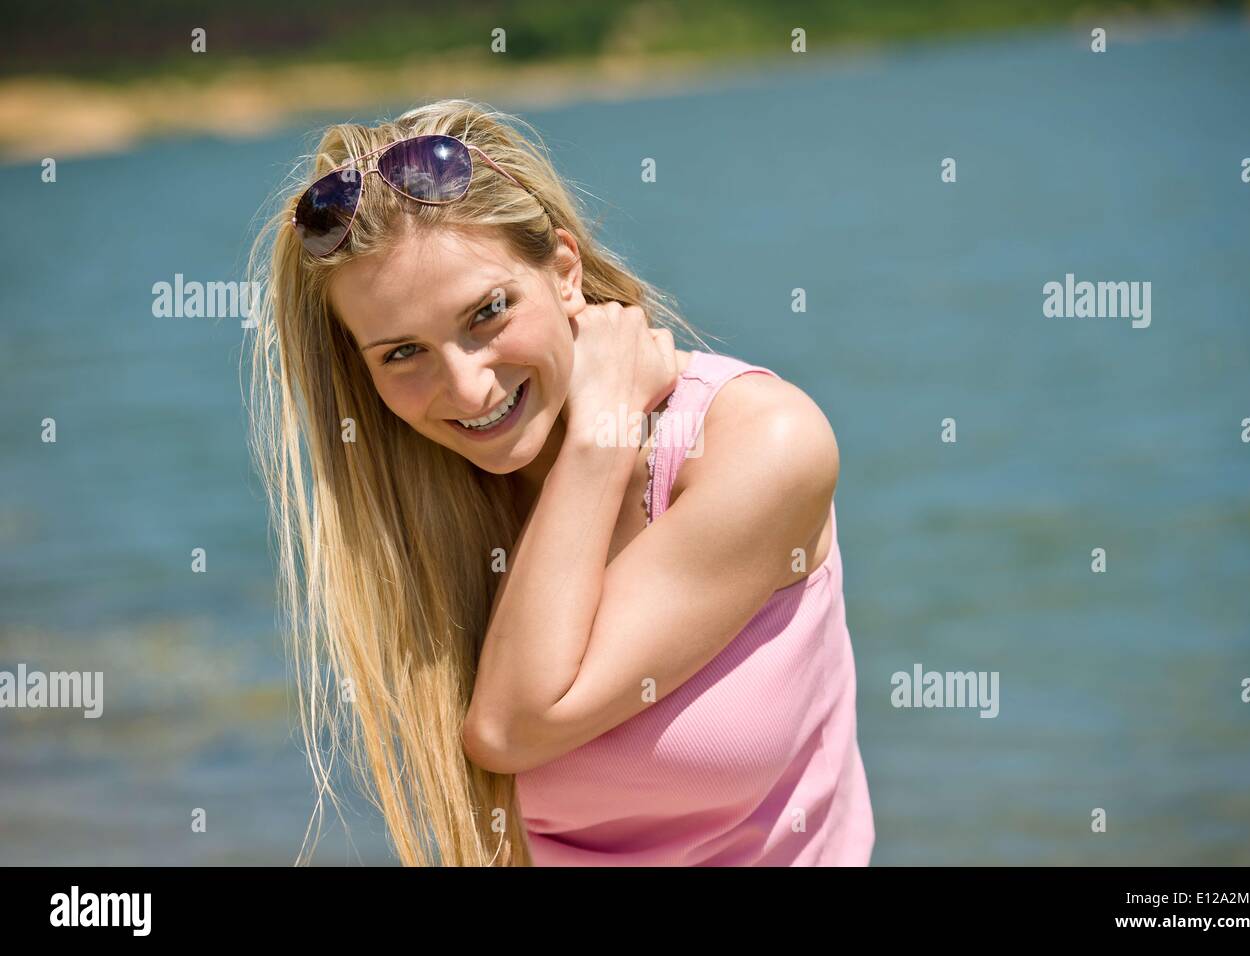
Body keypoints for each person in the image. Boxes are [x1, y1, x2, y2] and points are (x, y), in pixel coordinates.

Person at [244, 98, 874, 866]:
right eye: (402, 354)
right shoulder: (430, 503)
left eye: (487, 313)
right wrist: (594, 442)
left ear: (565, 272)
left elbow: (510, 729)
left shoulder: (759, 445)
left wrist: (598, 443)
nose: (470, 390)